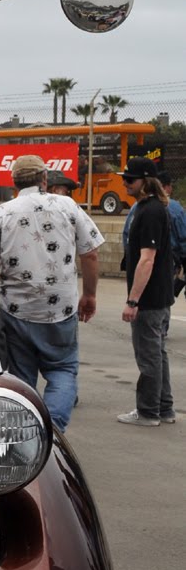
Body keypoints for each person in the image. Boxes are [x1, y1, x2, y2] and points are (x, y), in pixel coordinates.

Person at [0, 153, 103, 433]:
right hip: (61, 310)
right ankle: (53, 432)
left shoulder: (2, 212)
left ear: (14, 181)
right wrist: (89, 295)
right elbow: (90, 254)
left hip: (17, 310)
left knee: (20, 376)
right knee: (63, 370)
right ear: (44, 179)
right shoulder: (68, 206)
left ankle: (27, 434)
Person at [117, 157, 175, 426]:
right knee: (158, 353)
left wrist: (133, 300)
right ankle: (164, 408)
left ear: (145, 182)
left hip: (150, 300)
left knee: (149, 355)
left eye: (130, 179)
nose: (125, 183)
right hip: (160, 296)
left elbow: (147, 259)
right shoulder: (152, 208)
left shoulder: (150, 211)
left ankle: (148, 411)